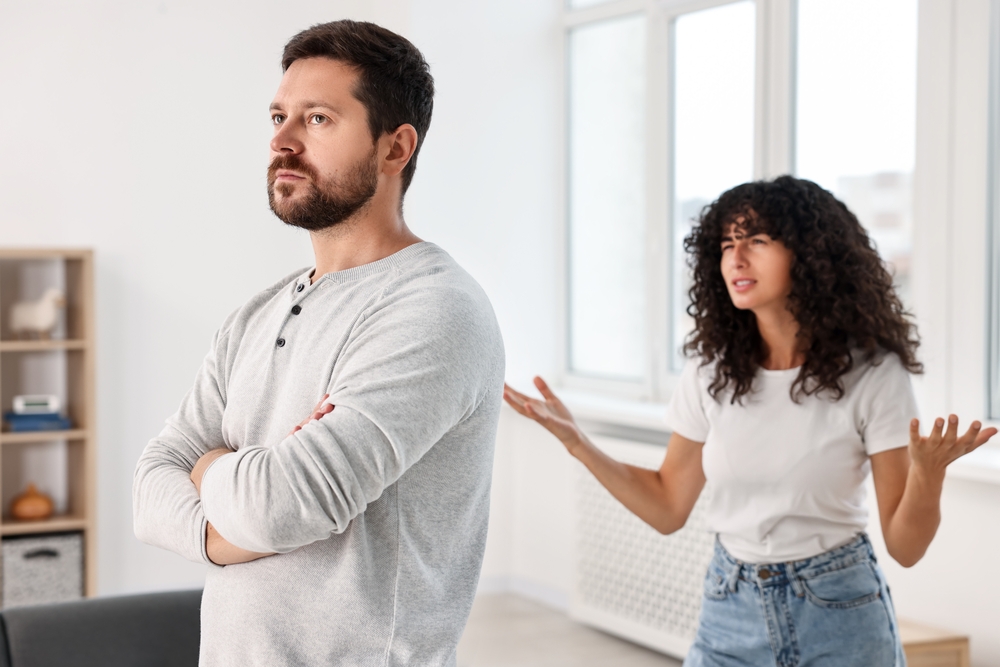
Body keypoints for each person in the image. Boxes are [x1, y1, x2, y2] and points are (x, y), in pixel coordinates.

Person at [504, 175, 995, 666]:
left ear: (809, 253)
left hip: (839, 610)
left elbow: (905, 547)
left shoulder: (872, 372)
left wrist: (928, 475)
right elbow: (668, 506)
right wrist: (579, 444)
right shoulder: (712, 370)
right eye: (727, 244)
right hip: (730, 607)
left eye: (757, 241)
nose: (736, 259)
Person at [133, 20, 505, 667]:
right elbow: (149, 485)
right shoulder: (257, 312)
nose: (281, 140)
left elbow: (281, 507)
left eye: (318, 119)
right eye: (279, 116)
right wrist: (222, 534)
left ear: (395, 148)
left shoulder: (436, 310)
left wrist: (209, 465)